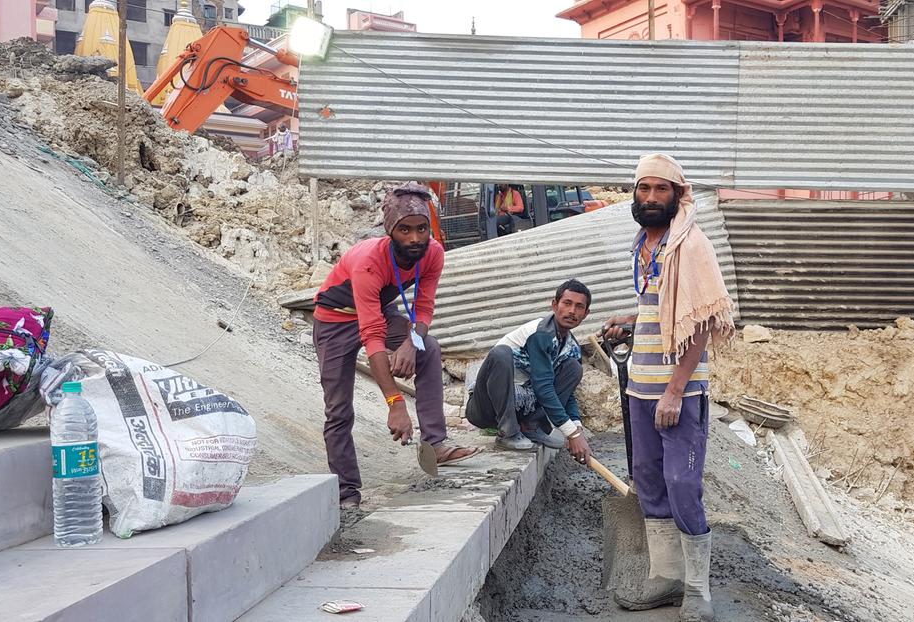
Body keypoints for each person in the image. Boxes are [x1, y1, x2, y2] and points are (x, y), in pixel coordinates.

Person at [603, 154, 734, 622]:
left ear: (678, 195)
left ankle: (697, 591)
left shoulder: (690, 244)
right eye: (644, 189)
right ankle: (664, 578)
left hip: (678, 390)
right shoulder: (645, 243)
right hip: (640, 386)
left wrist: (676, 390)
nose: (652, 198)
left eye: (662, 190)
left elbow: (698, 323)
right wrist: (631, 317)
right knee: (650, 481)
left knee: (683, 483)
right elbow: (663, 307)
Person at [312, 182, 481, 509]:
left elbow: (424, 308)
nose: (415, 238)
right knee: (338, 410)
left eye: (421, 229)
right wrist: (395, 402)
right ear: (390, 230)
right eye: (405, 230)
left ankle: (436, 443)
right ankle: (347, 493)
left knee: (427, 347)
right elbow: (372, 336)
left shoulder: (433, 253)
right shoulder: (369, 261)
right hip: (334, 321)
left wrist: (409, 342)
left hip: (379, 313)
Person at [465, 280, 592, 460]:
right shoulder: (540, 333)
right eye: (567, 303)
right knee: (501, 353)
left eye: (579, 307)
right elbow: (543, 386)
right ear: (555, 305)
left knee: (574, 368)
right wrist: (571, 434)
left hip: (523, 408)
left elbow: (569, 394)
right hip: (486, 408)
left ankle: (531, 427)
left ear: (586, 314)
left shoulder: (571, 347)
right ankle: (507, 433)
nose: (572, 311)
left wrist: (576, 427)